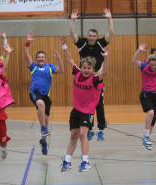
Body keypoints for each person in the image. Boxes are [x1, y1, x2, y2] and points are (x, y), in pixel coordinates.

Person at [60, 36, 109, 172]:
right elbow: (69, 59)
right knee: (73, 135)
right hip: (76, 110)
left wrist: (106, 58)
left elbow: (105, 72)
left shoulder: (95, 79)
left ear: (93, 69)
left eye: (89, 68)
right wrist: (64, 46)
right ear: (81, 67)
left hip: (87, 111)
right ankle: (67, 161)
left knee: (83, 134)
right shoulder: (77, 73)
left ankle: (85, 162)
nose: (86, 70)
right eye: (84, 67)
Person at [70, 8, 114, 141]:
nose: (92, 37)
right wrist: (72, 20)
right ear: (87, 35)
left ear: (96, 36)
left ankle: (101, 129)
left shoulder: (100, 43)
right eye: (90, 35)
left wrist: (109, 18)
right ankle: (88, 129)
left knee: (99, 103)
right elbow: (72, 34)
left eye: (94, 36)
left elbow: (111, 32)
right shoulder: (82, 44)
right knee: (85, 104)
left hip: (96, 77)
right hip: (83, 78)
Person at [24, 31, 64, 155]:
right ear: (36, 59)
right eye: (39, 57)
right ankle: (42, 128)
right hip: (35, 93)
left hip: (46, 96)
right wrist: (28, 43)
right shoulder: (33, 67)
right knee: (40, 104)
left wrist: (59, 59)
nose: (41, 58)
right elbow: (26, 55)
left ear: (45, 59)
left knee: (46, 121)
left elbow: (61, 71)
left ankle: (44, 142)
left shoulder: (50, 67)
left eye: (43, 57)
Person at [132, 43, 156, 150]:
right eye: (151, 65)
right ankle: (146, 135)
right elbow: (134, 61)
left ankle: (147, 137)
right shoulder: (144, 66)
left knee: (153, 118)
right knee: (150, 113)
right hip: (145, 93)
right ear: (148, 63)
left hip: (155, 94)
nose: (153, 67)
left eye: (155, 64)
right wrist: (139, 51)